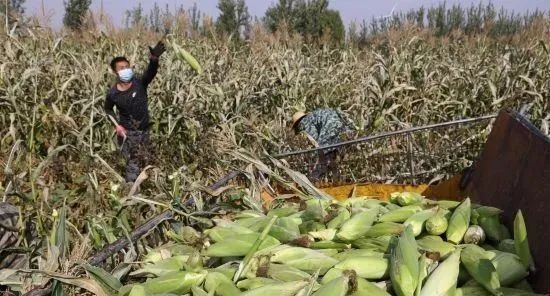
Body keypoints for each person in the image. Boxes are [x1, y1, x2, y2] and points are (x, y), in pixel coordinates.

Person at [104, 40, 166, 183]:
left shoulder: (139, 83)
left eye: (127, 66)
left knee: (144, 161)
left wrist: (154, 59)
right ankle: (131, 195)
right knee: (133, 165)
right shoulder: (113, 94)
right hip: (128, 134)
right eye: (121, 68)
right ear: (115, 71)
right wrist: (116, 125)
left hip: (144, 131)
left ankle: (143, 190)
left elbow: (151, 72)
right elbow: (107, 109)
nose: (125, 69)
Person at [291, 108, 355, 180]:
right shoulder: (312, 116)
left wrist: (313, 155)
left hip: (330, 126)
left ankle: (315, 178)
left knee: (323, 153)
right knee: (333, 152)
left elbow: (314, 139)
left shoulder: (303, 123)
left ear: (296, 124)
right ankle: (337, 176)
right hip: (340, 123)